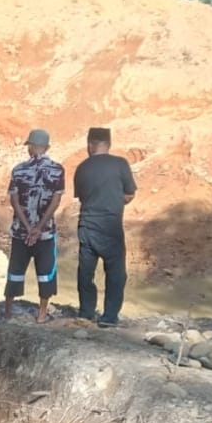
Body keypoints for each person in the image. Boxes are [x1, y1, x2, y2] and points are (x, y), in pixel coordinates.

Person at [73, 127, 136, 328]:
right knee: (116, 273)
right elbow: (130, 193)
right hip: (111, 227)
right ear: (109, 144)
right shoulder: (120, 164)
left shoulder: (82, 167)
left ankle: (86, 312)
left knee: (85, 272)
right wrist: (116, 201)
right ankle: (109, 316)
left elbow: (82, 197)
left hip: (87, 226)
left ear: (90, 144)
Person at [3, 128, 65, 323]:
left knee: (15, 270)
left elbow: (14, 201)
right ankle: (41, 314)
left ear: (30, 147)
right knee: (46, 273)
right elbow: (56, 202)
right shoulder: (58, 170)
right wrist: (39, 227)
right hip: (45, 233)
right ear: (47, 147)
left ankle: (8, 312)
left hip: (21, 232)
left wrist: (28, 227)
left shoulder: (18, 170)